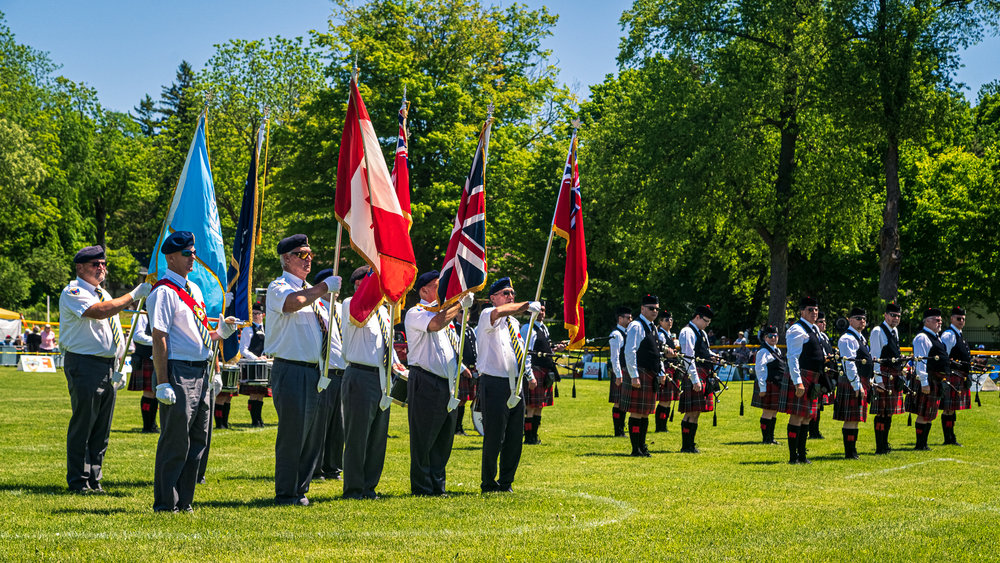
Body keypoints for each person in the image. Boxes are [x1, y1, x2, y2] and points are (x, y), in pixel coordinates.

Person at [149, 231, 234, 512]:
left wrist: (219, 333)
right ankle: (165, 502)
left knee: (199, 439)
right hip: (178, 370)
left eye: (194, 252)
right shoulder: (163, 292)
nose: (192, 258)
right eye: (186, 253)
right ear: (170, 258)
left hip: (201, 370)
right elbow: (160, 338)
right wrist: (162, 383)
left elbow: (198, 334)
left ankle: (185, 501)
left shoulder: (193, 290)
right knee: (176, 439)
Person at [59, 245, 151, 493]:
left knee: (102, 427)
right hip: (85, 363)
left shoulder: (105, 293)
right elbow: (99, 313)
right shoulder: (74, 291)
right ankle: (78, 479)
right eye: (95, 264)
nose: (101, 268)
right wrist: (133, 294)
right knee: (84, 423)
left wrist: (120, 363)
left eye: (103, 264)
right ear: (80, 268)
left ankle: (94, 479)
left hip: (107, 365)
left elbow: (114, 329)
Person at [263, 234, 341, 506]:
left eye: (310, 254)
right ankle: (286, 492)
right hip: (291, 370)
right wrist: (323, 288)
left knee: (313, 435)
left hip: (316, 371)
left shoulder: (312, 292)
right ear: (286, 258)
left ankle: (300, 488)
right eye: (302, 254)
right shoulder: (279, 286)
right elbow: (290, 304)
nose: (309, 259)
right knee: (293, 434)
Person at [404, 271, 473, 495]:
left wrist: (460, 368)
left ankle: (437, 484)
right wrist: (460, 305)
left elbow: (446, 347)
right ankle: (422, 486)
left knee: (444, 437)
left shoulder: (445, 316)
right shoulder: (417, 312)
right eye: (437, 286)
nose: (442, 290)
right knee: (424, 436)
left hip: (447, 383)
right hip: (425, 380)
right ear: (424, 290)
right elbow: (435, 325)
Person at [341, 266, 402, 500]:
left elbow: (386, 344)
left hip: (381, 376)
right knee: (357, 436)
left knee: (377, 437)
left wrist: (396, 365)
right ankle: (354, 488)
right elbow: (358, 310)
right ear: (360, 284)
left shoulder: (384, 313)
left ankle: (369, 486)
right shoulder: (352, 304)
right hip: (360, 374)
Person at [476, 277, 540, 491]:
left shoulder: (514, 323)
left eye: (512, 293)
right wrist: (525, 306)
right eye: (505, 293)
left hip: (515, 384)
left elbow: (519, 353)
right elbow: (499, 313)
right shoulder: (488, 315)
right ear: (493, 298)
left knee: (514, 436)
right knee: (494, 435)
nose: (510, 296)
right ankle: (488, 481)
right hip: (494, 383)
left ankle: (506, 481)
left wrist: (528, 375)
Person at [311, 268, 348, 482]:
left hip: (342, 371)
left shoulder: (341, 310)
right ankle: (315, 468)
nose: (336, 290)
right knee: (320, 424)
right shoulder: (315, 307)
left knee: (338, 424)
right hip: (323, 371)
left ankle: (333, 467)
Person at [780, 297, 823, 464]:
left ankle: (802, 455)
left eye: (816, 310)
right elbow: (792, 357)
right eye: (810, 310)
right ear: (802, 311)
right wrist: (797, 381)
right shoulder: (796, 329)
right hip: (802, 376)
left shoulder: (813, 329)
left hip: (813, 377)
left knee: (807, 417)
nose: (814, 313)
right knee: (797, 416)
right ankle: (793, 457)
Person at [622, 295, 664, 456]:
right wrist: (634, 375)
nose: (654, 311)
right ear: (642, 309)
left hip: (650, 373)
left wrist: (661, 372)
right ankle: (635, 448)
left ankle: (642, 445)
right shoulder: (636, 326)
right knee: (637, 412)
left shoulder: (652, 327)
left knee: (645, 412)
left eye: (656, 309)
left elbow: (656, 353)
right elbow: (629, 351)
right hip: (640, 372)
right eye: (651, 308)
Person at [677, 304, 718, 454]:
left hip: (704, 372)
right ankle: (685, 446)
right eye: (706, 321)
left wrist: (712, 356)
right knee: (691, 411)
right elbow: (688, 357)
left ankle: (690, 444)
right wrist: (695, 380)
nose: (707, 324)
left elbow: (703, 351)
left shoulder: (702, 333)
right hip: (695, 373)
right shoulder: (687, 331)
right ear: (697, 317)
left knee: (697, 411)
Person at [522, 300, 564, 445]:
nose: (542, 313)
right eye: (539, 310)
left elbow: (544, 350)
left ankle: (535, 435)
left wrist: (555, 350)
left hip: (545, 371)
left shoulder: (544, 328)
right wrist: (529, 376)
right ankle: (528, 437)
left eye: (544, 310)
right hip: (534, 371)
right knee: (530, 408)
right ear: (531, 311)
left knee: (540, 406)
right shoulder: (527, 329)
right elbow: (526, 354)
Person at [908, 308, 947, 451]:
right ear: (927, 321)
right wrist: (924, 382)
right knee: (923, 413)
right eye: (937, 320)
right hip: (928, 379)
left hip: (936, 379)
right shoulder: (922, 337)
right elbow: (921, 361)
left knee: (929, 413)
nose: (939, 322)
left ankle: (924, 443)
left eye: (940, 320)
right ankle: (920, 444)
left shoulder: (937, 337)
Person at [834, 308, 871, 459]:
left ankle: (852, 450)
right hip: (852, 381)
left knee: (855, 419)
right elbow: (849, 364)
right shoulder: (847, 338)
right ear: (850, 320)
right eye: (858, 318)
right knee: (851, 419)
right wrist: (857, 385)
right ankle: (850, 452)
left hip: (860, 380)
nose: (862, 321)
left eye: (863, 318)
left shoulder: (860, 338)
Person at [869, 303, 905, 455]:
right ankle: (880, 446)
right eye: (892, 315)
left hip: (894, 373)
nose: (895, 318)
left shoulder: (895, 331)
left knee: (889, 411)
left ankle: (885, 443)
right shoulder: (878, 331)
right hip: (883, 374)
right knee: (881, 412)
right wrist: (878, 380)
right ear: (885, 315)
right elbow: (875, 357)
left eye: (897, 316)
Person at [228, 302, 269, 428]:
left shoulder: (266, 329)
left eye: (258, 314)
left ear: (263, 315)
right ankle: (254, 420)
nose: (256, 316)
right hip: (252, 364)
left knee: (261, 394)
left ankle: (259, 419)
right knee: (254, 393)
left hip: (262, 364)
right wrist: (256, 358)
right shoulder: (248, 328)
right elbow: (243, 349)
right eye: (254, 314)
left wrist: (265, 356)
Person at [939, 306, 972, 446]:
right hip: (951, 376)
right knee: (948, 409)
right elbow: (943, 356)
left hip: (960, 376)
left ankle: (951, 436)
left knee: (951, 409)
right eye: (958, 318)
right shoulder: (948, 335)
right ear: (952, 318)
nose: (961, 321)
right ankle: (948, 438)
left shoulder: (959, 334)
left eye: (963, 319)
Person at [128, 306, 159, 433]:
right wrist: (158, 341)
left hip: (157, 357)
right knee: (149, 393)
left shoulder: (157, 312)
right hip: (146, 357)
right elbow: (138, 336)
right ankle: (148, 426)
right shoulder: (141, 313)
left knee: (156, 392)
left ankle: (152, 424)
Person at [752, 325, 783, 445]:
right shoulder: (763, 351)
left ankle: (771, 437)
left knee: (774, 411)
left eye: (775, 336)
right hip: (768, 384)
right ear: (765, 337)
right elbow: (760, 370)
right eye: (770, 336)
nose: (773, 338)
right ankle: (766, 439)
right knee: (767, 412)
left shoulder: (777, 350)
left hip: (776, 384)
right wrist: (762, 387)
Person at [808, 311, 835, 440]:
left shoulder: (824, 336)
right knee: (814, 403)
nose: (823, 324)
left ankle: (815, 430)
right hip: (817, 373)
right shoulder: (812, 335)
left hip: (825, 374)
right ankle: (812, 431)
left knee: (819, 405)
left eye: (824, 322)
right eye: (820, 322)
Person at [607, 306, 632, 438]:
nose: (630, 320)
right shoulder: (616, 334)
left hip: (626, 370)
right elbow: (614, 356)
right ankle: (618, 430)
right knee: (618, 401)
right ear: (620, 318)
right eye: (627, 317)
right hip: (620, 370)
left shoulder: (627, 333)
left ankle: (621, 428)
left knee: (624, 401)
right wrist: (618, 374)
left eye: (630, 317)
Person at [654, 310, 679, 433]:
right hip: (666, 368)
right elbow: (661, 351)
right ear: (660, 322)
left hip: (672, 368)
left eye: (671, 320)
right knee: (664, 399)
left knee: (668, 399)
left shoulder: (669, 335)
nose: (669, 322)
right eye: (666, 320)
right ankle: (660, 426)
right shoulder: (661, 335)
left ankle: (663, 426)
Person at [453, 315, 478, 436]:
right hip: (461, 369)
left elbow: (476, 349)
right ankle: (455, 427)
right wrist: (462, 368)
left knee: (464, 400)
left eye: (466, 313)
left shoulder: (471, 330)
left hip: (473, 369)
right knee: (459, 399)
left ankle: (459, 427)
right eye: (461, 312)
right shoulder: (455, 329)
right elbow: (454, 352)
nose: (464, 315)